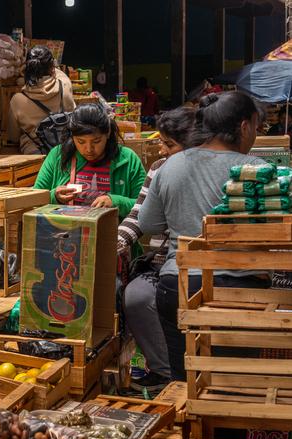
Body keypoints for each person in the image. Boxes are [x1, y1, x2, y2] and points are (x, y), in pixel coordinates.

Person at [138, 91, 270, 381]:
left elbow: (147, 223)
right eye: (257, 128)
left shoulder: (168, 166)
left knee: (186, 383)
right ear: (245, 127)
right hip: (237, 291)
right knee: (233, 386)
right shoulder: (257, 171)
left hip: (177, 286)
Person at [117, 107, 197, 392]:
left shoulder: (203, 171)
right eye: (161, 142)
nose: (161, 150)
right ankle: (165, 371)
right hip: (162, 264)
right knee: (136, 298)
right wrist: (118, 242)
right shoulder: (158, 169)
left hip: (194, 266)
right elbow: (139, 216)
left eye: (169, 144)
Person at [33, 103, 146, 220]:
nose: (89, 149)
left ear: (107, 133)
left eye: (96, 141)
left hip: (116, 235)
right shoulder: (58, 155)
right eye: (81, 142)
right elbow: (34, 200)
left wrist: (116, 202)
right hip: (65, 234)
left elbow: (146, 206)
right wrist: (54, 197)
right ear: (72, 137)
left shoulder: (128, 159)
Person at [7, 45, 75, 154]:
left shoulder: (17, 100)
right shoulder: (65, 85)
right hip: (63, 150)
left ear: (28, 68)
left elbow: (13, 137)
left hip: (35, 154)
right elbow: (58, 72)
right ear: (52, 67)